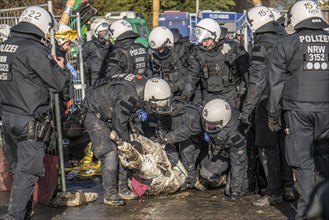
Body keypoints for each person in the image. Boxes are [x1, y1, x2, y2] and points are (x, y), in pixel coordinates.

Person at [0, 6, 69, 219]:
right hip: (30, 120)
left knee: (18, 168)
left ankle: (24, 212)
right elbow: (59, 82)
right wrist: (60, 67)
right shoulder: (34, 50)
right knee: (27, 173)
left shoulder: (4, 47)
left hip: (8, 118)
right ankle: (16, 216)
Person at [266, 1, 329, 219]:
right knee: (323, 161)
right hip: (327, 113)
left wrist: (273, 114)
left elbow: (275, 84)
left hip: (298, 112)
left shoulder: (286, 44)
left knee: (303, 164)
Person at [81, 74, 172, 206]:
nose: (154, 109)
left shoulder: (145, 88)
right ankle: (110, 194)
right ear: (151, 98)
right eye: (155, 106)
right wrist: (126, 145)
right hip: (92, 113)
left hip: (108, 112)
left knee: (124, 149)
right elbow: (119, 123)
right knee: (110, 151)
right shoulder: (130, 95)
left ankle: (122, 188)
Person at [239, 6, 295, 206]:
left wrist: (246, 110)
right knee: (283, 145)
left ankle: (274, 193)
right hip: (286, 101)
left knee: (267, 148)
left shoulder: (260, 47)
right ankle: (288, 187)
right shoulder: (286, 40)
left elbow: (257, 83)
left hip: (265, 102)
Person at [184, 18, 249, 108]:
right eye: (202, 41)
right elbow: (192, 76)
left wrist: (241, 95)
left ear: (215, 36)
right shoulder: (197, 51)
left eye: (206, 40)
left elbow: (246, 74)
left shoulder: (234, 48)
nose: (204, 44)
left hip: (231, 96)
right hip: (208, 97)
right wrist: (184, 96)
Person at [199, 99, 248, 202]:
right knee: (206, 173)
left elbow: (238, 164)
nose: (208, 127)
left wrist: (236, 192)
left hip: (241, 158)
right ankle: (226, 175)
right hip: (224, 153)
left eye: (212, 125)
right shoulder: (214, 115)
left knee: (234, 190)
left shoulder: (235, 136)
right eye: (206, 124)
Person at [82, 21, 112, 89]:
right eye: (102, 33)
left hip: (106, 76)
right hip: (92, 78)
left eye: (106, 32)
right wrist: (84, 74)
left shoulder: (110, 45)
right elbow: (80, 60)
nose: (105, 35)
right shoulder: (89, 45)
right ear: (96, 33)